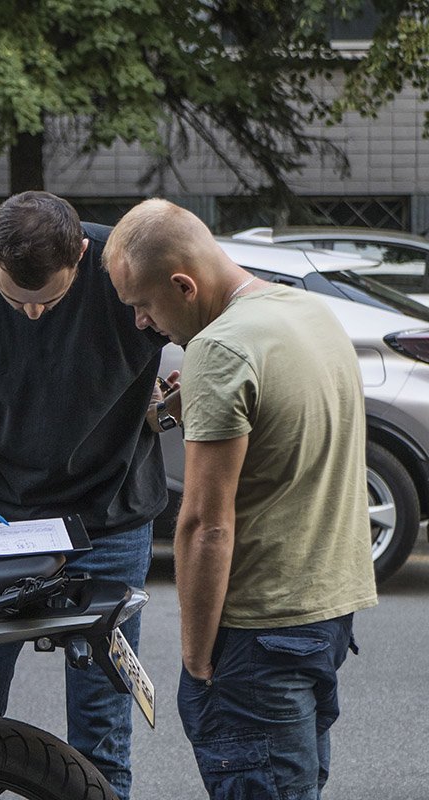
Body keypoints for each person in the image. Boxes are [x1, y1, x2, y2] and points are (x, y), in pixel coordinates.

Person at [103, 199, 378, 799]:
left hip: (257, 630)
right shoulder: (308, 313)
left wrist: (198, 663)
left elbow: (204, 525)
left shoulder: (219, 351)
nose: (143, 324)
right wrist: (177, 409)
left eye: (143, 305)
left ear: (183, 284)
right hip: (327, 608)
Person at [0, 191, 171, 799]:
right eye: (13, 299)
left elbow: (211, 338)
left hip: (111, 515)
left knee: (102, 722)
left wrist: (171, 407)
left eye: (48, 300)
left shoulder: (127, 267)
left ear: (82, 255)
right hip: (1, 514)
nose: (31, 315)